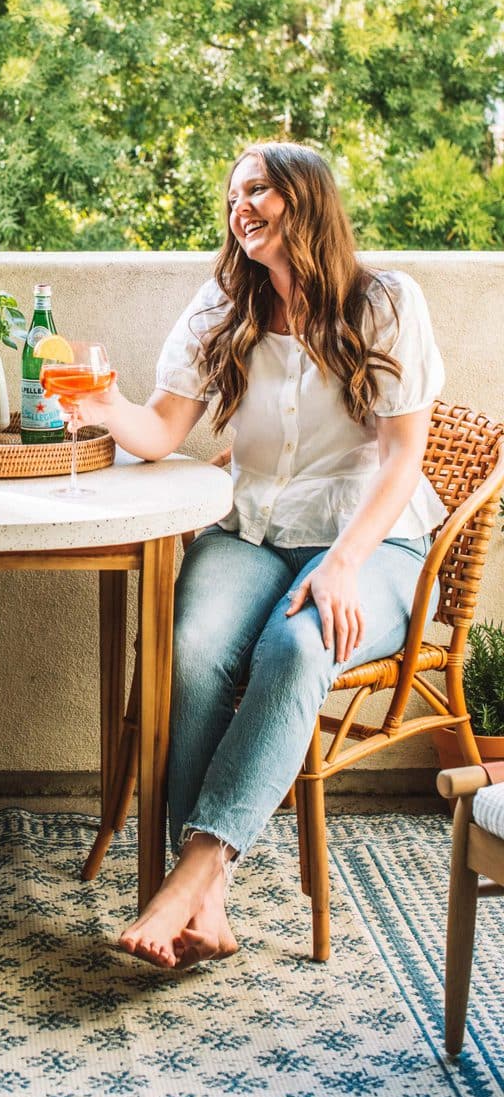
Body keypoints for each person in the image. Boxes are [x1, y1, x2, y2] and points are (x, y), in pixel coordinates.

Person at [79, 141, 445, 970]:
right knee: (192, 649)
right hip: (253, 531)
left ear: (304, 198)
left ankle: (196, 875)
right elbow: (163, 430)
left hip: (369, 538)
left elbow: (402, 458)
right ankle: (203, 908)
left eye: (258, 190)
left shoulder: (386, 301)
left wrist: (344, 564)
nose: (240, 206)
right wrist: (100, 404)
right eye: (234, 193)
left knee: (296, 648)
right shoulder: (223, 301)